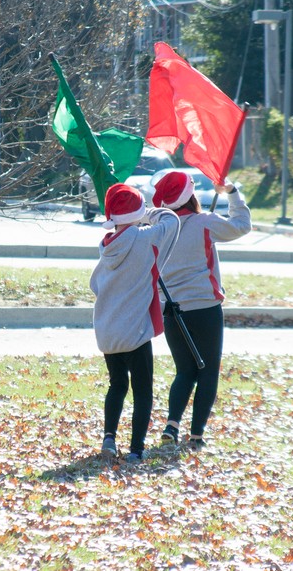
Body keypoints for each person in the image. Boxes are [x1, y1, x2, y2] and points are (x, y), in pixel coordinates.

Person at [151, 171, 251, 451]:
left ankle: (172, 423)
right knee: (207, 371)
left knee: (184, 370)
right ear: (191, 197)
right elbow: (241, 225)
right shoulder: (204, 223)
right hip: (204, 307)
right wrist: (231, 192)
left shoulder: (158, 228)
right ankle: (196, 435)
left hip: (171, 308)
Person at [90, 183, 179, 462]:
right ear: (138, 213)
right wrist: (145, 213)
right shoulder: (146, 238)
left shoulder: (106, 246)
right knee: (143, 391)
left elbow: (95, 284)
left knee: (116, 385)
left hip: (107, 331)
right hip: (136, 331)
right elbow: (172, 220)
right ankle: (136, 450)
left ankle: (109, 440)